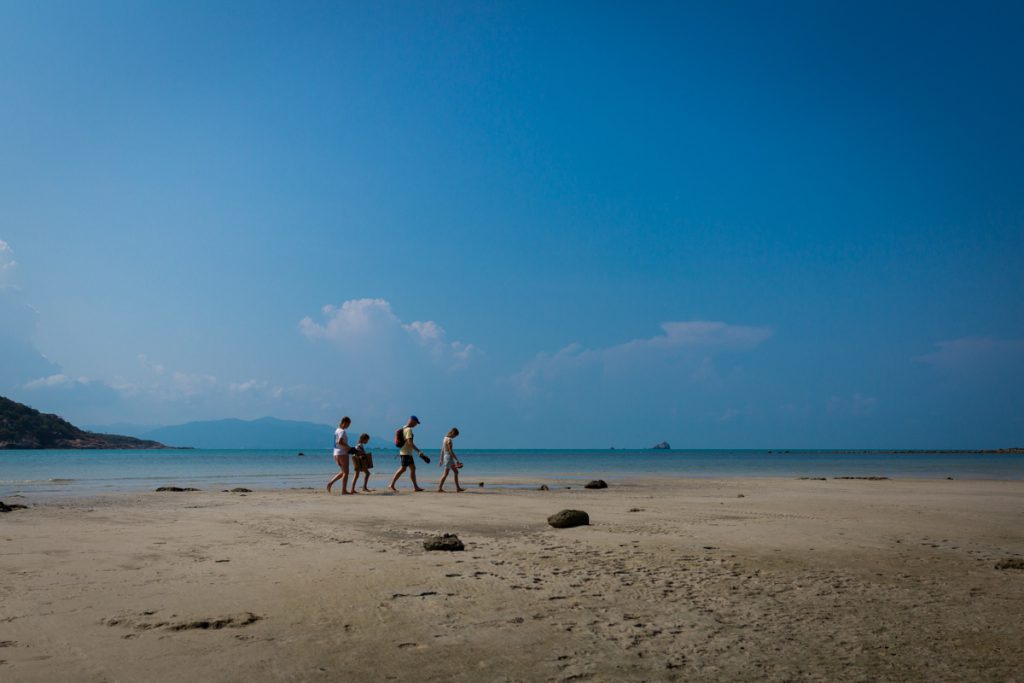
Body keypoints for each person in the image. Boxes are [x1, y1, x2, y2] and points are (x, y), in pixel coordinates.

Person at [388, 415, 428, 492]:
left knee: (413, 468)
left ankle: (416, 487)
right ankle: (391, 485)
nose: (416, 425)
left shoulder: (404, 427)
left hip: (407, 453)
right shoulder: (409, 429)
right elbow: (410, 442)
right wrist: (418, 451)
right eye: (416, 423)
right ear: (412, 421)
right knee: (403, 468)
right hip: (405, 452)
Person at [326, 417, 352, 494]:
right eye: (348, 424)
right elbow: (339, 442)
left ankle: (330, 483)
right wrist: (348, 447)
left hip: (336, 453)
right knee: (346, 472)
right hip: (342, 453)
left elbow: (336, 443)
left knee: (343, 472)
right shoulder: (342, 431)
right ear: (345, 423)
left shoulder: (336, 430)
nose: (348, 426)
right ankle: (344, 490)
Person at [437, 427, 464, 493]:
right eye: (455, 436)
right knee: (447, 473)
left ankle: (457, 488)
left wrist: (441, 459)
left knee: (454, 472)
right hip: (449, 458)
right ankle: (440, 488)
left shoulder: (445, 438)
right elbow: (450, 451)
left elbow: (442, 450)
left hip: (446, 457)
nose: (455, 437)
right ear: (453, 434)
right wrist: (457, 460)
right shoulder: (449, 440)